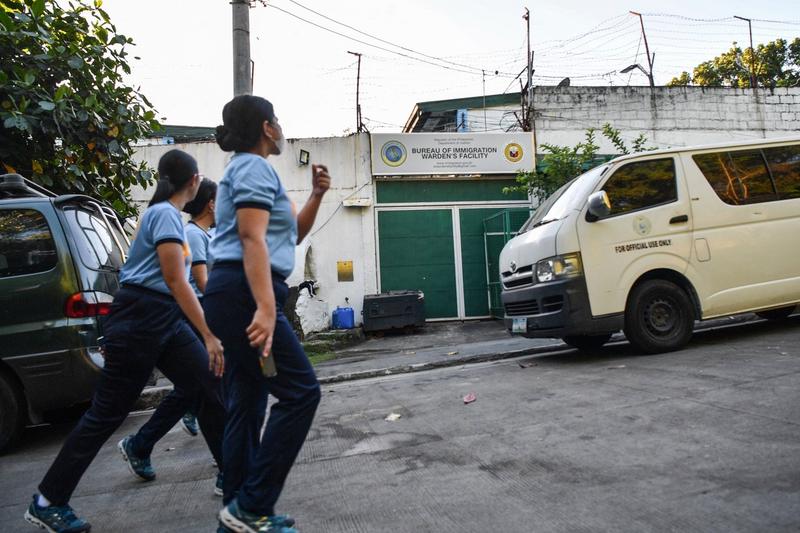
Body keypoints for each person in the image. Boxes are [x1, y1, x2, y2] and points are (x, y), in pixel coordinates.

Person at [24, 149, 225, 533]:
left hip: (163, 317)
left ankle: (234, 481)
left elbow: (172, 283)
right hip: (140, 318)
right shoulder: (164, 213)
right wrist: (209, 333)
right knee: (105, 415)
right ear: (194, 181)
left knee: (208, 386)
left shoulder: (170, 220)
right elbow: (173, 278)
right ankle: (47, 501)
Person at [204, 95, 330, 533]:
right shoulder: (254, 167)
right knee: (300, 392)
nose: (281, 126)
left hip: (232, 292)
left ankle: (237, 513)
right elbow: (250, 237)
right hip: (245, 293)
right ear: (266, 127)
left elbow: (290, 235)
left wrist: (316, 195)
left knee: (250, 403)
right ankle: (251, 507)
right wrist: (265, 308)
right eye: (276, 120)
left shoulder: (246, 170)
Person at [115, 176, 225, 497]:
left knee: (199, 388)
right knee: (206, 387)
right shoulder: (188, 231)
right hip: (189, 318)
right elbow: (196, 282)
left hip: (191, 318)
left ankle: (141, 444)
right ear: (210, 203)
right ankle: (228, 466)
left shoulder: (198, 232)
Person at [180, 178, 218, 438]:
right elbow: (202, 281)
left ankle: (195, 409)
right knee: (208, 371)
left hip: (208, 305)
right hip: (200, 308)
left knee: (209, 372)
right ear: (212, 204)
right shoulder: (193, 233)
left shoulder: (206, 233)